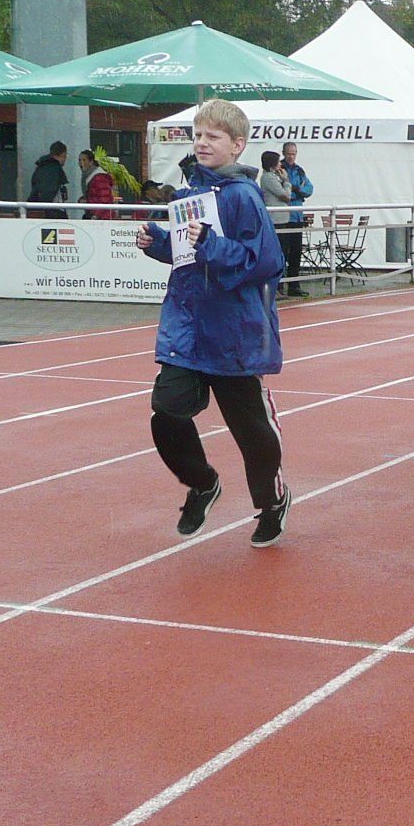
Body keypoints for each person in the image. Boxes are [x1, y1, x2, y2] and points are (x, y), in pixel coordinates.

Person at [134, 98, 291, 548]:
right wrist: (158, 242)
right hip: (187, 328)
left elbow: (266, 261)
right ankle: (202, 483)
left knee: (252, 432)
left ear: (237, 145)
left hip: (234, 333)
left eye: (213, 136)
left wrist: (211, 245)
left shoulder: (244, 196)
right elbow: (189, 255)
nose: (202, 143)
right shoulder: (188, 192)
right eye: (198, 135)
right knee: (166, 412)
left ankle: (271, 503)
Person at [259, 150, 299, 296]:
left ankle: (280, 285)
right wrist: (287, 181)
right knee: (278, 252)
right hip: (276, 220)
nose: (280, 165)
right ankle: (276, 286)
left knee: (284, 251)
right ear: (272, 164)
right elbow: (286, 196)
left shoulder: (274, 177)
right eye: (277, 162)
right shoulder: (268, 178)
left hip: (282, 219)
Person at [281, 141, 313, 296]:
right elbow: (281, 193)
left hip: (297, 216)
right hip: (283, 217)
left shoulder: (300, 170)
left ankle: (294, 286)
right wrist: (295, 192)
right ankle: (279, 286)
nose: (291, 157)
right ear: (283, 153)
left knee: (296, 252)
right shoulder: (278, 169)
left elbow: (309, 189)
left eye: (293, 154)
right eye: (289, 153)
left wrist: (297, 190)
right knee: (282, 252)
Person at [27, 140, 68, 218]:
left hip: (38, 209)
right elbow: (48, 192)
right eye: (65, 156)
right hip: (51, 212)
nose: (65, 159)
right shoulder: (54, 169)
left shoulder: (41, 166)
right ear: (62, 154)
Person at [77, 149, 115, 220]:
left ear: (91, 162)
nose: (81, 163)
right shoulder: (91, 177)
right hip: (96, 215)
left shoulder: (99, 178)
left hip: (102, 217)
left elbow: (105, 198)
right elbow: (95, 195)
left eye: (84, 160)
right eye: (79, 160)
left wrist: (96, 215)